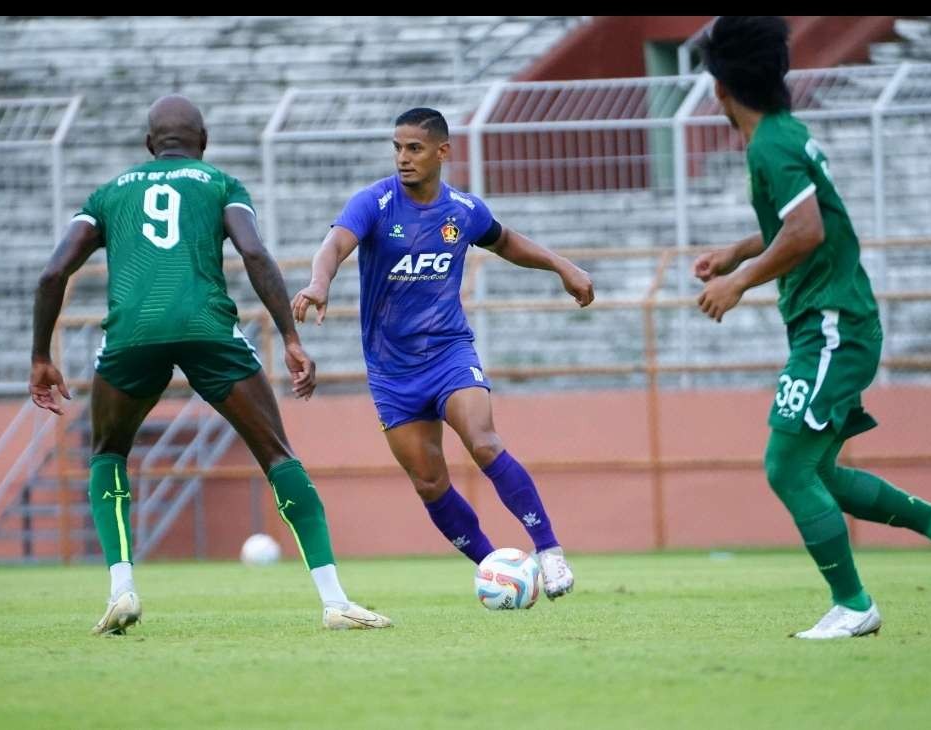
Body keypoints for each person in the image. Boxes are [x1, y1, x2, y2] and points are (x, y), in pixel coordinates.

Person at [29, 94, 392, 634]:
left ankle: (122, 589)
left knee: (108, 451)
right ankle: (334, 600)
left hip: (133, 333)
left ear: (150, 144)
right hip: (207, 329)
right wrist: (290, 338)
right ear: (203, 142)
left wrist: (40, 356)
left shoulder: (106, 196)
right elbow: (254, 254)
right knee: (276, 453)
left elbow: (53, 274)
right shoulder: (220, 184)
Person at [694, 16, 931, 639]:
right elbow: (800, 220)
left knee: (786, 467)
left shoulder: (771, 146)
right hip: (832, 321)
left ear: (722, 88)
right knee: (822, 473)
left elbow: (807, 230)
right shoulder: (786, 135)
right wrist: (738, 252)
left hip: (832, 324)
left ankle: (854, 603)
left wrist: (739, 281)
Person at [291, 107, 595, 599]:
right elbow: (334, 245)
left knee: (484, 443)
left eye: (413, 148)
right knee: (430, 483)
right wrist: (319, 282)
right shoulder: (375, 202)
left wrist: (563, 267)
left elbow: (508, 242)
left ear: (442, 152)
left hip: (449, 353)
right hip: (391, 371)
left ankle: (549, 551)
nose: (403, 158)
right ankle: (497, 569)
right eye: (397, 147)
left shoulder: (462, 210)